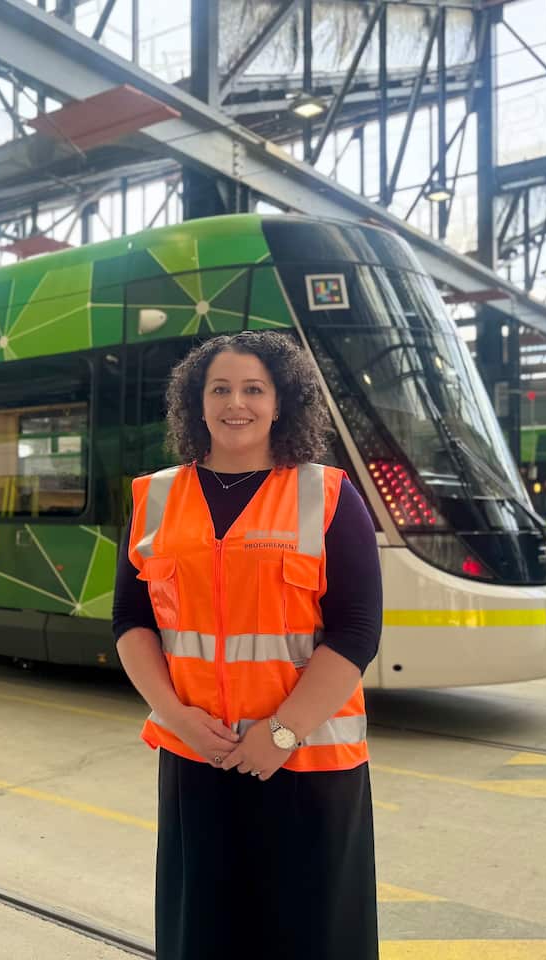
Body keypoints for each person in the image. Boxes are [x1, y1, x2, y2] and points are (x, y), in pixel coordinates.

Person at [112, 330, 382, 960]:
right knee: (203, 928)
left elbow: (357, 628)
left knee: (311, 932)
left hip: (309, 760)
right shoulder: (154, 498)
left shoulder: (329, 495)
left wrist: (282, 733)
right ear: (196, 404)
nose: (238, 403)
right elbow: (131, 621)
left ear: (281, 401)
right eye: (221, 389)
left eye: (254, 389)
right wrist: (175, 717)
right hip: (198, 753)